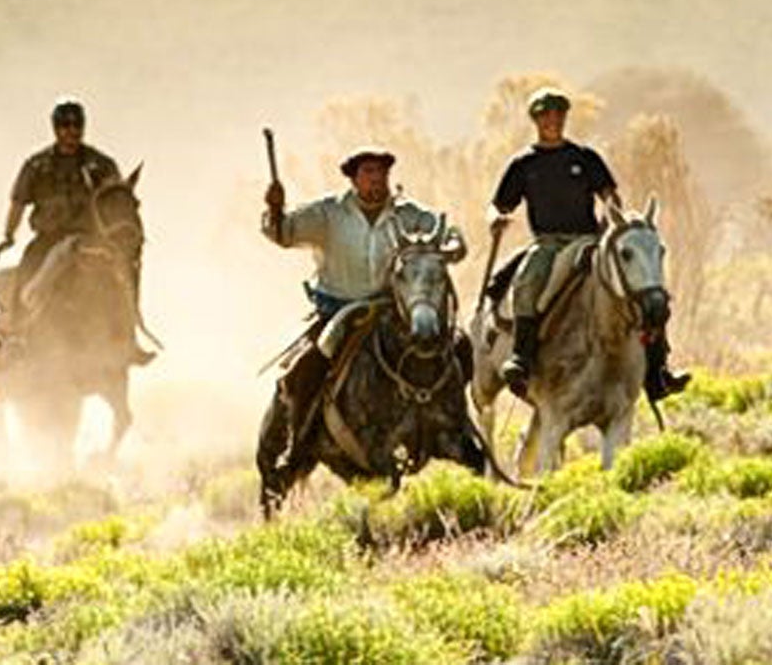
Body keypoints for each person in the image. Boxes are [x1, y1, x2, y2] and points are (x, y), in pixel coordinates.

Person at [261, 149, 465, 465]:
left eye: (381, 172)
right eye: (368, 172)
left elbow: (446, 233)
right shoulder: (328, 214)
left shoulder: (408, 213)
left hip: (392, 310)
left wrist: (452, 245)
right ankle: (298, 443)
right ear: (354, 178)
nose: (376, 179)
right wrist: (275, 210)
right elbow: (283, 233)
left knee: (458, 349)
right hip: (339, 312)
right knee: (306, 369)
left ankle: (455, 422)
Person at [488, 87, 690, 400]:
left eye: (558, 115)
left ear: (565, 118)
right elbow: (499, 205)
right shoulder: (523, 164)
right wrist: (495, 219)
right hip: (548, 244)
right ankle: (522, 358)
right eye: (545, 116)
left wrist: (613, 209)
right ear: (536, 120)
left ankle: (657, 371)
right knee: (527, 283)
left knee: (645, 289)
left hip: (590, 241)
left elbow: (609, 193)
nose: (552, 122)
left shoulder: (584, 158)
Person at [0, 99, 151, 363]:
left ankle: (128, 337)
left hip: (90, 238)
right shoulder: (37, 165)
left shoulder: (100, 164)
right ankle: (17, 336)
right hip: (48, 239)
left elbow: (118, 199)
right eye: (65, 125)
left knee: (126, 271)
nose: (71, 131)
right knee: (28, 268)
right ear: (55, 128)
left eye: (76, 125)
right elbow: (18, 202)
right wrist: (8, 236)